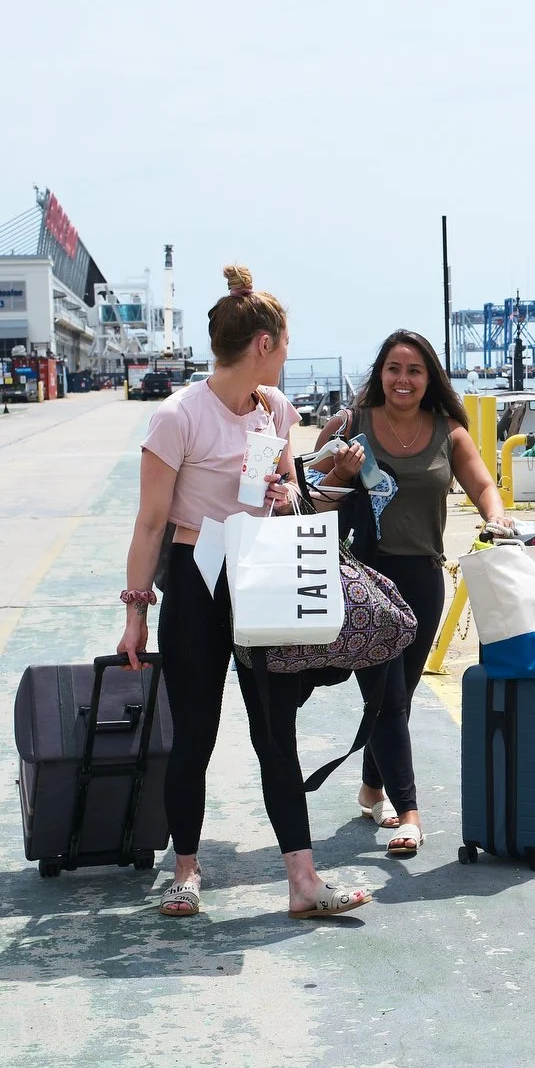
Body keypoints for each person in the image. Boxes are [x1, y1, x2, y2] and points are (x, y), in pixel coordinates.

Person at [117, 264, 371, 922]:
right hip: (198, 576)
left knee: (274, 734)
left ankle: (303, 881)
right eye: (285, 345)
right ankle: (185, 873)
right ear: (263, 344)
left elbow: (273, 494)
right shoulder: (178, 417)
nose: (287, 357)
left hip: (260, 577)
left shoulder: (276, 412)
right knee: (194, 734)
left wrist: (289, 493)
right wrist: (136, 613)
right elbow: (150, 522)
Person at [309, 330, 508, 855]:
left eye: (414, 371)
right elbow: (307, 489)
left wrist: (497, 518)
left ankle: (372, 786)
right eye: (394, 369)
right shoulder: (349, 426)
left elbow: (483, 485)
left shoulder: (449, 431)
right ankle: (410, 812)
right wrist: (340, 471)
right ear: (380, 373)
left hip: (421, 578)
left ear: (429, 379)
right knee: (387, 697)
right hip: (360, 578)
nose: (403, 379)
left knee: (400, 693)